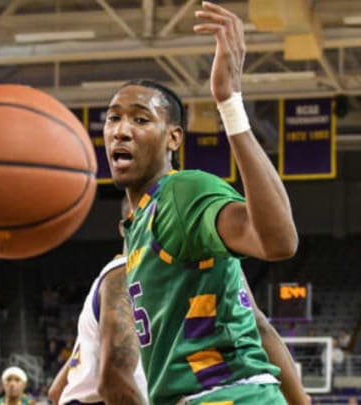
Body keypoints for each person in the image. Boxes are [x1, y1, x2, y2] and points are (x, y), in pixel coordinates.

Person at [102, 2, 300, 404]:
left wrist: (229, 104)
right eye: (113, 118)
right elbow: (256, 322)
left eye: (141, 119)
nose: (121, 130)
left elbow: (278, 242)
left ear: (173, 138)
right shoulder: (140, 224)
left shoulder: (182, 191)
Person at [48, 198, 148, 405]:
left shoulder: (109, 282)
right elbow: (115, 382)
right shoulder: (125, 274)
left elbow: (57, 390)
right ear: (124, 227)